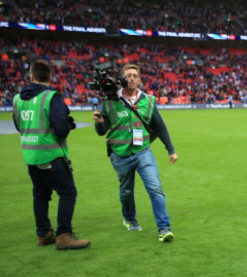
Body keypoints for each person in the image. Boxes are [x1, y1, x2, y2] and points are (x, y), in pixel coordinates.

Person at [92, 64, 177, 241]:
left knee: (155, 188)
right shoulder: (109, 101)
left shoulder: (148, 100)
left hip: (142, 151)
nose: (131, 78)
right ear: (121, 79)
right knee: (126, 191)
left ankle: (164, 228)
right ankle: (129, 218)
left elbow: (160, 127)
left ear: (139, 80)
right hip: (119, 154)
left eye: (134, 75)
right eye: (128, 75)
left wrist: (171, 150)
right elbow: (102, 131)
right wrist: (99, 121)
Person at [13, 59, 90, 250]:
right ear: (50, 76)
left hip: (30, 155)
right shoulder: (50, 97)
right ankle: (64, 235)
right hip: (51, 154)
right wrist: (67, 125)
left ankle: (43, 234)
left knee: (40, 194)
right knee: (68, 192)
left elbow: (18, 125)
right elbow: (61, 129)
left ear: (31, 76)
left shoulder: (17, 99)